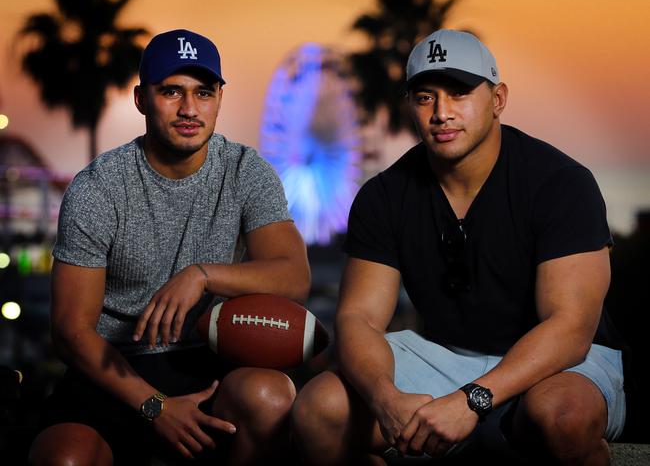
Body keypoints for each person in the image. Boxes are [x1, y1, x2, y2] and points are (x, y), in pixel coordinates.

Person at [292, 29, 625, 465]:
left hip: (560, 363)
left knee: (562, 418)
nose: (442, 113)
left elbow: (570, 328)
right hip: (448, 358)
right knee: (320, 409)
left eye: (460, 92)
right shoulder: (384, 196)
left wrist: (472, 401)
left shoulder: (561, 182)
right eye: (425, 97)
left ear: (498, 99)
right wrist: (385, 399)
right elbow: (359, 318)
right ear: (410, 105)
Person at [29, 29, 310, 466]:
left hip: (207, 359)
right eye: (171, 92)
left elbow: (293, 276)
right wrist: (155, 405)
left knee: (269, 398)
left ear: (220, 97)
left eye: (203, 92)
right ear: (141, 99)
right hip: (113, 368)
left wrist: (202, 275)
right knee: (63, 458)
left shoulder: (245, 171)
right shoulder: (99, 187)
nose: (189, 109)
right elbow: (71, 332)